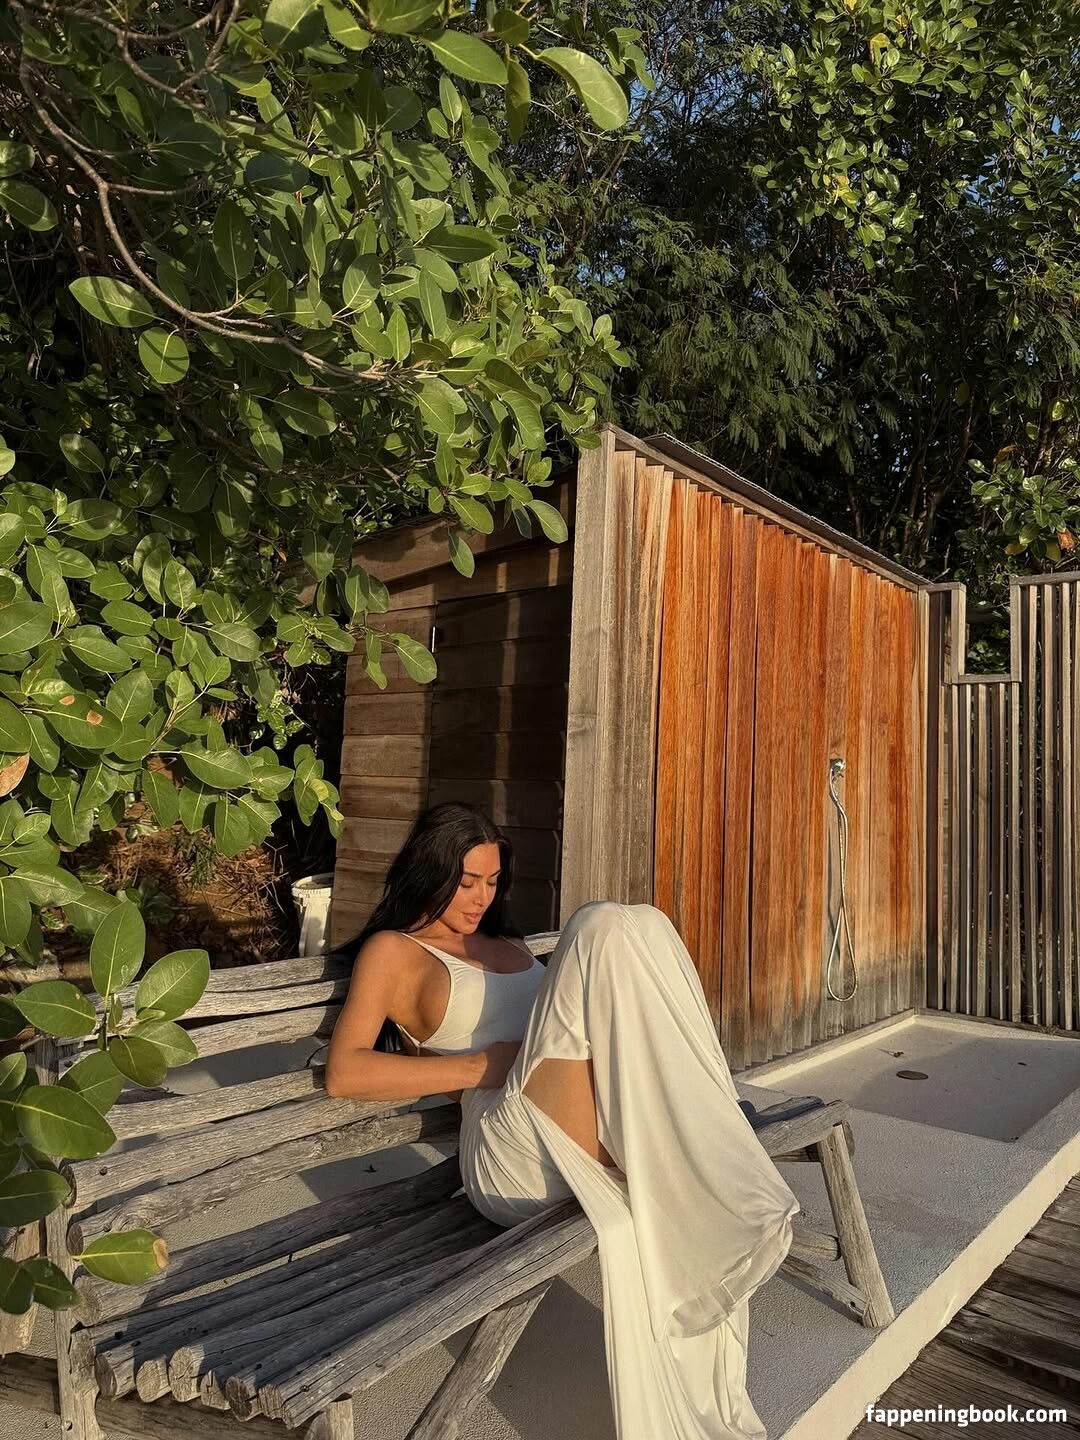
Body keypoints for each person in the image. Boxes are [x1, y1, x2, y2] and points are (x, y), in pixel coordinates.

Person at [326, 801, 801, 1440]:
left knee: (647, 924)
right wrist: (479, 1066)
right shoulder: (394, 951)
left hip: (567, 1122)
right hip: (508, 1150)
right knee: (600, 923)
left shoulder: (508, 944)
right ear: (428, 870)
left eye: (492, 882)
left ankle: (690, 1155)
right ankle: (708, 1165)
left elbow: (576, 1037)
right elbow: (345, 1073)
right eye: (466, 882)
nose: (480, 898)